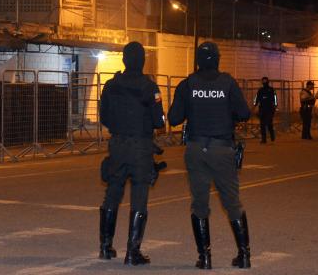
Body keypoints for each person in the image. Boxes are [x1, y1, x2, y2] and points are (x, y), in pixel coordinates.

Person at [168, 42, 252, 270]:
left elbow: (174, 118)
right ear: (217, 59)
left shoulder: (187, 84)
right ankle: (244, 256)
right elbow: (244, 113)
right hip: (222, 149)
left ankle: (204, 258)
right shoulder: (227, 82)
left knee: (199, 204)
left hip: (196, 150)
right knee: (232, 203)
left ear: (197, 60)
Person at [98, 41, 165, 266]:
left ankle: (105, 247)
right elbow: (158, 120)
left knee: (112, 193)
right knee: (139, 196)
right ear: (142, 60)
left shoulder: (110, 85)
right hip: (140, 146)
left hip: (117, 144)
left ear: (124, 60)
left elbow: (104, 116)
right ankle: (132, 252)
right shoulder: (150, 87)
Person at [253, 76, 277, 143]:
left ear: (268, 82)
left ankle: (272, 135)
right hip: (262, 109)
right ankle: (264, 139)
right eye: (263, 81)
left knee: (269, 123)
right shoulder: (260, 90)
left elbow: (275, 98)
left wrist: (275, 106)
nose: (264, 82)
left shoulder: (271, 89)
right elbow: (256, 98)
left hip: (270, 109)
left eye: (265, 81)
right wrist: (255, 105)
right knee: (262, 124)